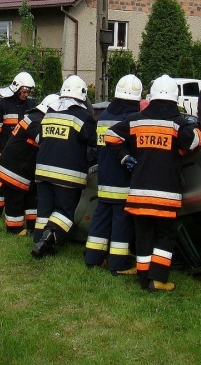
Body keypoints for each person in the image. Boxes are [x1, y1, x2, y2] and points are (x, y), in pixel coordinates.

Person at [104, 74, 201, 291]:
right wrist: (193, 128)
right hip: (166, 194)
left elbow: (110, 136)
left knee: (143, 235)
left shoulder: (136, 120)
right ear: (174, 99)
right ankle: (157, 278)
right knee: (165, 236)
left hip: (139, 193)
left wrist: (125, 156)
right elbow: (194, 141)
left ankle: (143, 277)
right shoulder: (177, 123)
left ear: (152, 97)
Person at [31, 75, 98, 258]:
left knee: (44, 209)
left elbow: (41, 139)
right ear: (82, 95)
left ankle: (39, 239)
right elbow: (94, 142)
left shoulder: (50, 113)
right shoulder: (82, 116)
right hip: (68, 174)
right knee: (66, 211)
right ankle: (49, 238)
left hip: (42, 171)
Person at [84, 74, 143, 275]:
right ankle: (118, 263)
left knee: (100, 219)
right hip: (122, 180)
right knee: (121, 223)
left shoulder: (105, 116)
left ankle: (92, 258)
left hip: (104, 179)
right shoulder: (129, 118)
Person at [0, 93, 61, 235]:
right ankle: (14, 228)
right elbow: (44, 141)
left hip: (22, 168)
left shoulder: (34, 118)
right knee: (14, 200)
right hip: (14, 169)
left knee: (31, 198)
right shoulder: (35, 121)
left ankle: (32, 225)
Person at [0, 71, 36, 222]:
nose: (26, 94)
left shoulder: (31, 105)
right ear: (16, 88)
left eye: (28, 92)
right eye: (23, 91)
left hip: (23, 152)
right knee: (1, 181)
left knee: (20, 181)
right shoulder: (3, 104)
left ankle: (17, 208)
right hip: (5, 150)